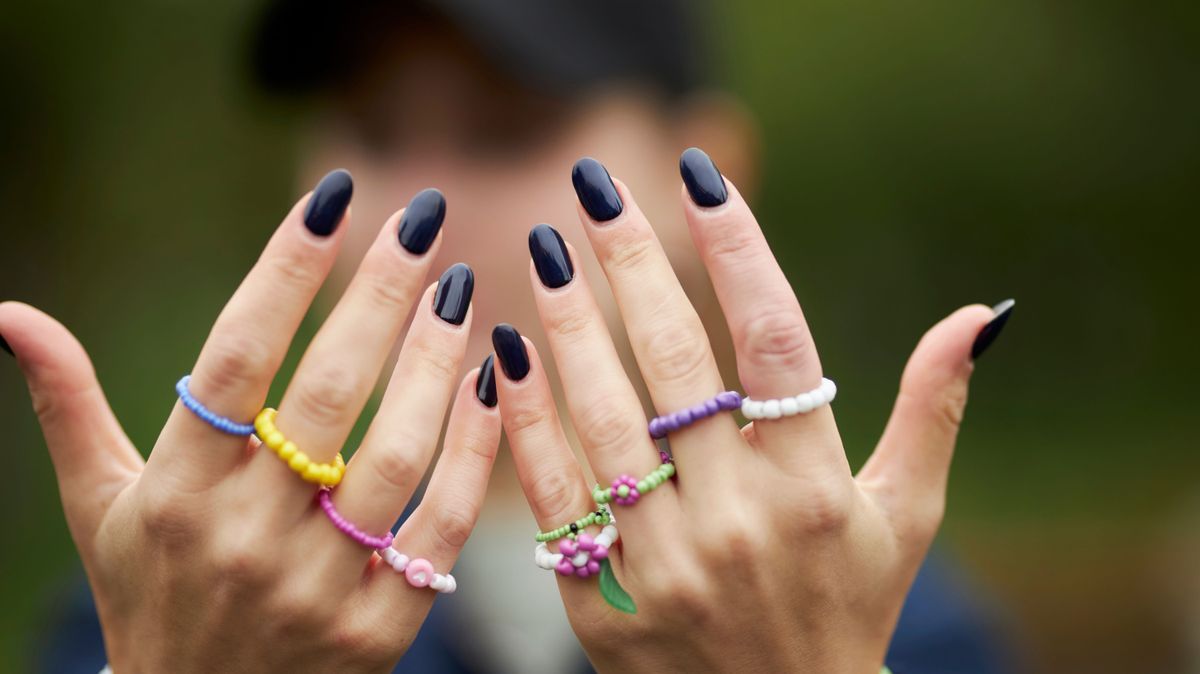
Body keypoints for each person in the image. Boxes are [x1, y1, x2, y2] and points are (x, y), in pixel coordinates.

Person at [4, 1, 1015, 672]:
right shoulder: (176, 598)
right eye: (373, 130)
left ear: (708, 163)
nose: (421, 196)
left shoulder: (873, 614)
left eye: (508, 131)